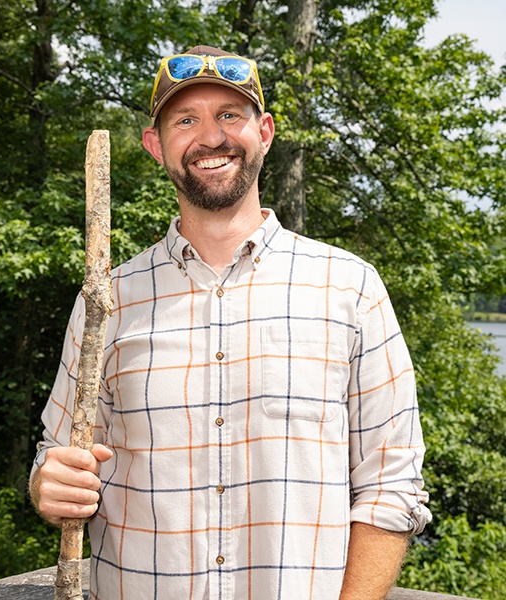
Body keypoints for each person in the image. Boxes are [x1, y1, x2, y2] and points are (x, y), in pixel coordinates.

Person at [30, 45, 431, 600]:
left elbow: (391, 486)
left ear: (264, 132)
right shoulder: (108, 298)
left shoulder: (350, 287)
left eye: (230, 116)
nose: (211, 137)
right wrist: (50, 483)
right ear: (156, 146)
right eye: (186, 120)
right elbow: (58, 453)